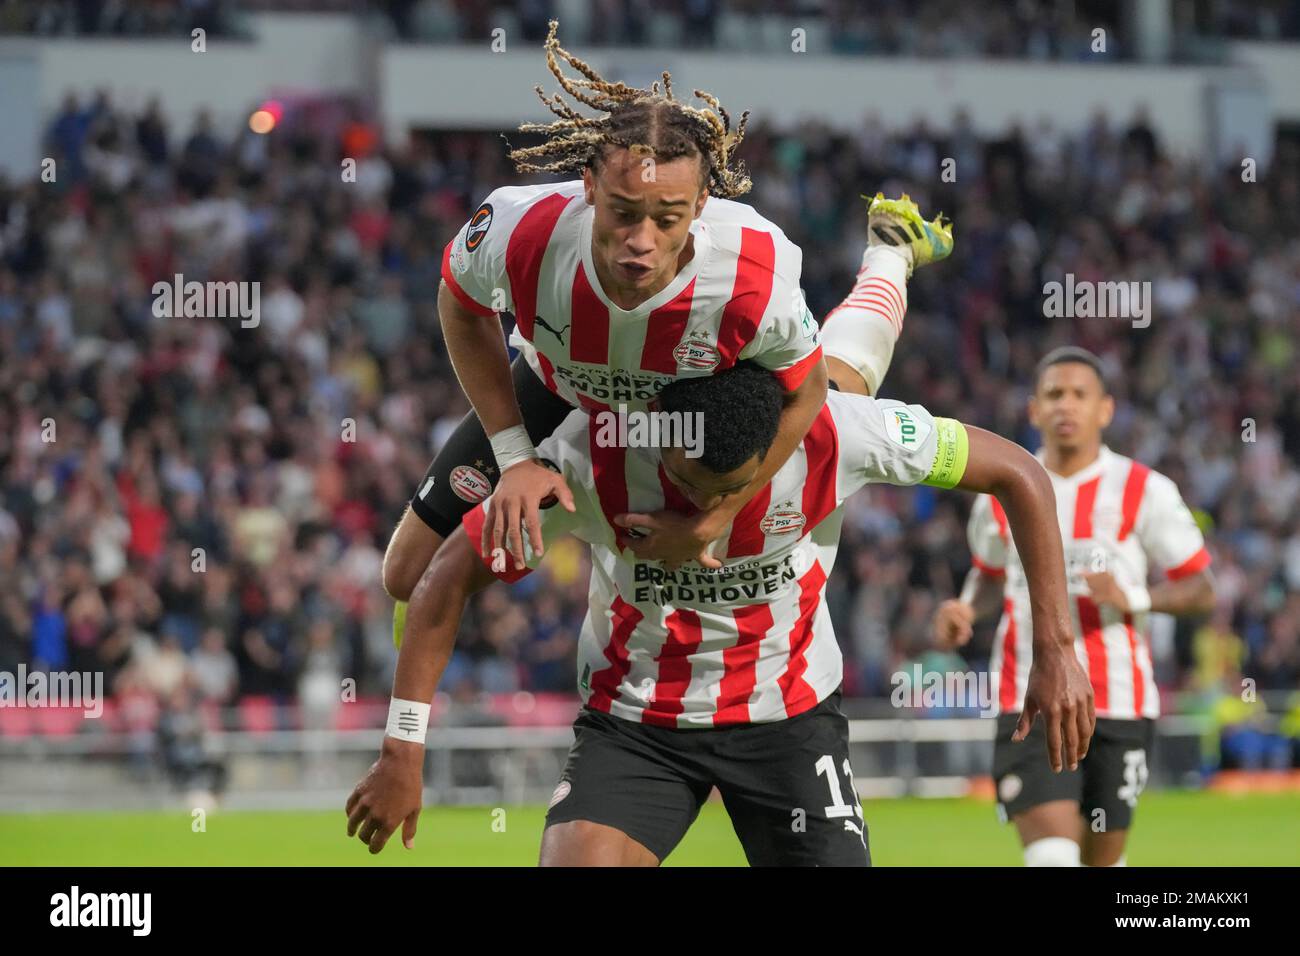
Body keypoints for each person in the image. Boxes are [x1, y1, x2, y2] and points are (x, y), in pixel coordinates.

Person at [347, 362, 1092, 865]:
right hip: (638, 724)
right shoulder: (596, 452)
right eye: (686, 480)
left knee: (849, 364)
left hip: (787, 716)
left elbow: (1021, 474)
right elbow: (440, 581)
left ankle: (887, 264)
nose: (703, 504)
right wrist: (403, 751)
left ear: (774, 449)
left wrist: (1057, 648)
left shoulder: (839, 430)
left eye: (725, 488)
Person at [382, 19, 952, 645]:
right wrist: (516, 457)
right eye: (623, 213)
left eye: (668, 217)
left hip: (694, 389)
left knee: (844, 389)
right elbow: (460, 304)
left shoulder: (751, 274)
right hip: (559, 382)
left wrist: (722, 515)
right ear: (589, 186)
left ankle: (892, 252)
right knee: (405, 573)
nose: (641, 242)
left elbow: (808, 390)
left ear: (702, 204)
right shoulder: (520, 233)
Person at [933, 346, 1215, 866]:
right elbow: (990, 574)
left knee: (1100, 863)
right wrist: (968, 608)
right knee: (1053, 859)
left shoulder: (1143, 489)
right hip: (1030, 696)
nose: (1066, 406)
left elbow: (1202, 587)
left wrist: (1133, 597)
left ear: (1105, 409)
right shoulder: (1003, 486)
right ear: (1033, 410)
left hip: (1120, 703)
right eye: (1054, 395)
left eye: (1079, 395)